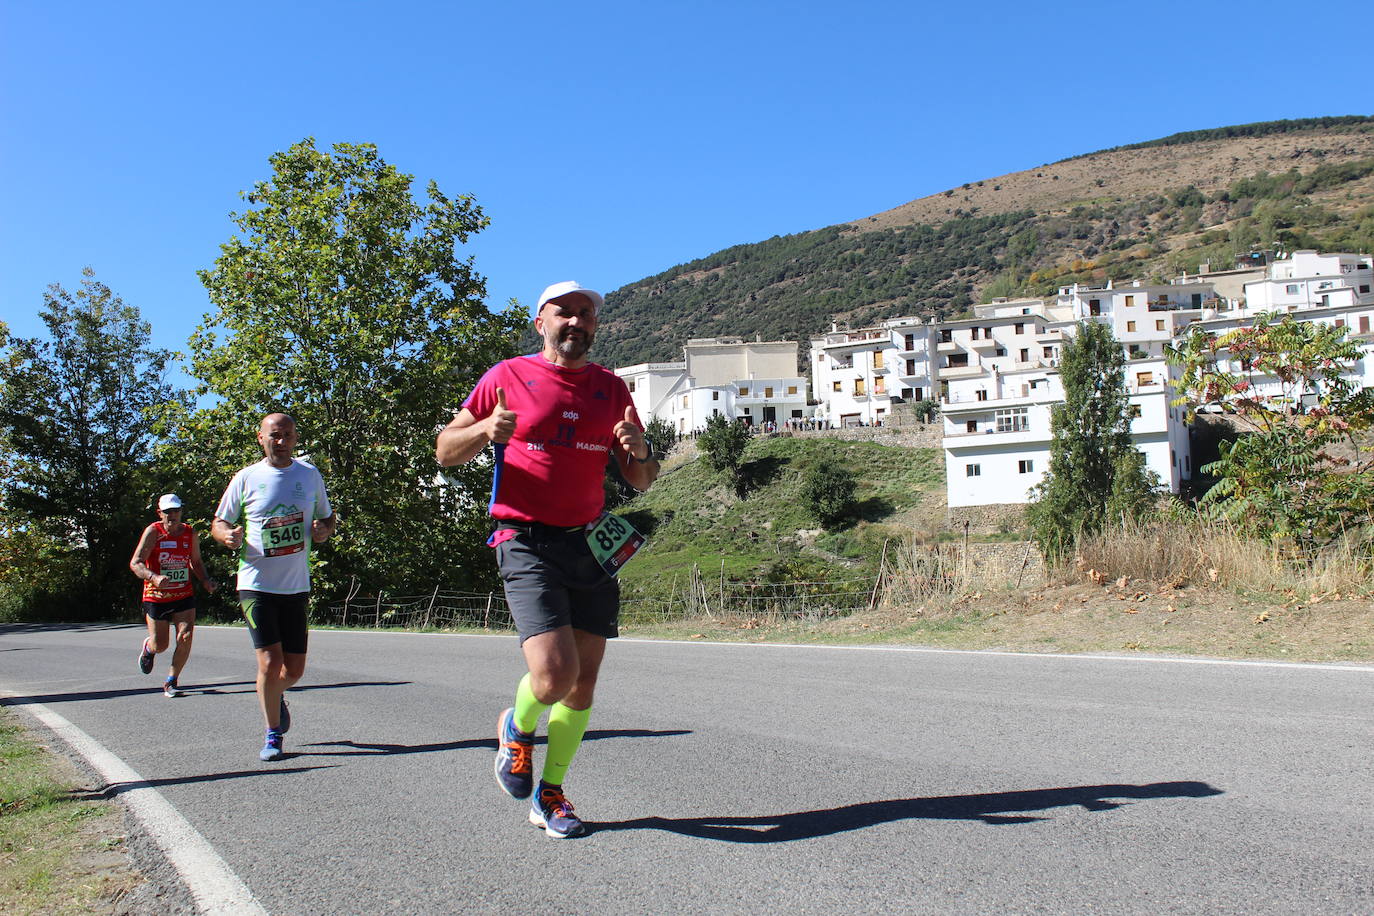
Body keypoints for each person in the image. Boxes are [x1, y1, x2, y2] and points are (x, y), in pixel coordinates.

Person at [436, 280, 660, 838]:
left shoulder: (613, 389)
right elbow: (445, 450)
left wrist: (641, 452)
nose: (576, 322)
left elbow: (640, 482)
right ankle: (517, 726)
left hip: (590, 541)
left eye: (586, 315)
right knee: (554, 674)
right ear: (542, 321)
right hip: (525, 538)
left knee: (582, 684)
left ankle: (551, 793)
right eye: (565, 313)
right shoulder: (506, 376)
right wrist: (486, 428)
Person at [212, 413, 336, 762]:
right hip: (255, 584)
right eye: (274, 436)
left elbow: (328, 516)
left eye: (287, 436)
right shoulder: (247, 477)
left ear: (296, 438)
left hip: (295, 586)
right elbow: (219, 522)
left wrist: (325, 529)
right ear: (260, 438)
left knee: (293, 671)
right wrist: (227, 535)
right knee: (269, 662)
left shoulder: (309, 475)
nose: (280, 442)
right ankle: (272, 734)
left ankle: (274, 694)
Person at [130, 493, 216, 698]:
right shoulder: (153, 532)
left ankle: (171, 680)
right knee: (161, 645)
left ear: (181, 511)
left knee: (185, 636)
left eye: (176, 511)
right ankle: (149, 649)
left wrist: (205, 580)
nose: (172, 515)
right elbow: (136, 562)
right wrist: (153, 577)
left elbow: (195, 561)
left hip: (183, 594)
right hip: (156, 596)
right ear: (159, 513)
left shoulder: (189, 533)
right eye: (167, 512)